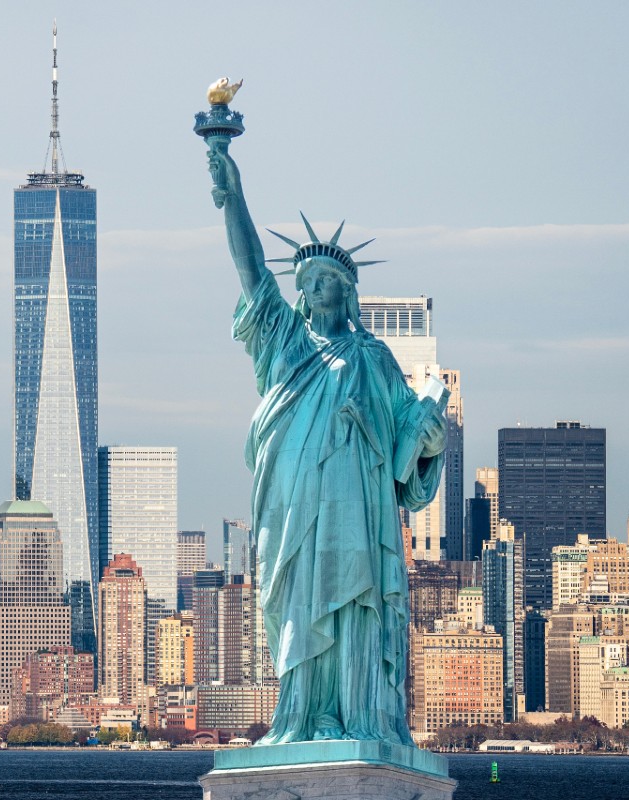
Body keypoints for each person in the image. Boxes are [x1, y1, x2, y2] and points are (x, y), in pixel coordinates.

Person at [207, 140, 446, 745]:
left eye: (324, 281)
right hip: (295, 503)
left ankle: (357, 716)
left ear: (346, 291)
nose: (312, 289)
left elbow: (407, 461)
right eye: (306, 281)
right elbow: (250, 267)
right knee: (298, 604)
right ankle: (305, 716)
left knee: (353, 605)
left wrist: (431, 440)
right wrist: (231, 188)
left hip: (358, 512)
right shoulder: (284, 341)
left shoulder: (374, 359)